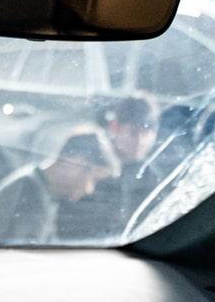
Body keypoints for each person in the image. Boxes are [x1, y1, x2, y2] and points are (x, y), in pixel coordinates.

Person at [0, 131, 117, 245]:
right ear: (75, 163)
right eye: (94, 179)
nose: (89, 189)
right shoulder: (29, 195)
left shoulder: (41, 189)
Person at [59, 95, 169, 242]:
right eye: (133, 133)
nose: (140, 141)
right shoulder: (90, 160)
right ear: (114, 127)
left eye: (146, 133)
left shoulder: (150, 176)